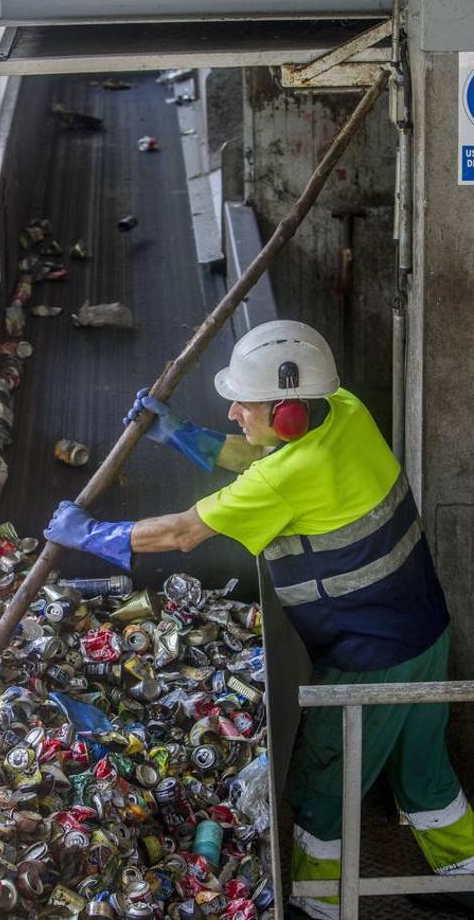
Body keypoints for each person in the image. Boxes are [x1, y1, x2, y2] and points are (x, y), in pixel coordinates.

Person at [45, 319, 474, 919]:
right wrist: (183, 436)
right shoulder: (344, 411)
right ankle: (466, 878)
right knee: (425, 773)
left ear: (289, 412)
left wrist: (90, 534)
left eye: (244, 404)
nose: (234, 415)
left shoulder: (287, 477)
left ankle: (321, 906)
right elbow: (263, 451)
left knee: (325, 787)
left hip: (369, 660)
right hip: (427, 630)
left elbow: (183, 533)